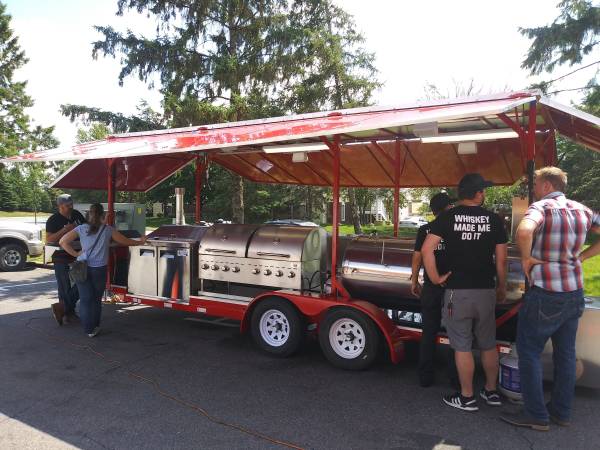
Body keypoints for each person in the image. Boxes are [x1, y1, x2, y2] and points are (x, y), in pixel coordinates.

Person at [501, 167, 600, 431]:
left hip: (545, 292)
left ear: (547, 185)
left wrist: (526, 259)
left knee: (529, 352)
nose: (534, 188)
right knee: (566, 355)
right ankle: (561, 412)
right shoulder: (583, 210)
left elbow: (524, 232)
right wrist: (582, 257)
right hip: (574, 292)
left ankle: (536, 415)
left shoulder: (541, 208)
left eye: (536, 183)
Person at [422, 173, 507, 412]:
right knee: (488, 344)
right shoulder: (494, 220)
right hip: (486, 290)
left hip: (457, 291)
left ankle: (467, 397)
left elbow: (427, 249)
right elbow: (501, 260)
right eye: (483, 190)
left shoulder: (447, 217)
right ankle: (491, 391)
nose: (484, 194)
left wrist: (435, 278)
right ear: (478, 193)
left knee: (462, 346)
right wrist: (501, 287)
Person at [59, 203, 146, 337]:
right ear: (102, 215)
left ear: (89, 214)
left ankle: (88, 330)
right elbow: (125, 241)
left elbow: (62, 242)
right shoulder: (107, 230)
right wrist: (141, 241)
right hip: (99, 270)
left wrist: (76, 254)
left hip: (81, 267)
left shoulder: (81, 228)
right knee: (96, 299)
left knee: (85, 300)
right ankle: (95, 326)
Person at [411, 192, 454, 387]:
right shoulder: (456, 229)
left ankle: (425, 376)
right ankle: (455, 378)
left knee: (428, 332)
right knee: (456, 334)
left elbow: (417, 258)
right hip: (453, 288)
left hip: (431, 287)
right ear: (448, 207)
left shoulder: (425, 230)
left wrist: (414, 281)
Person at [45, 194, 86, 325]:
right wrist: (65, 230)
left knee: (83, 281)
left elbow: (86, 229)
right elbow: (49, 239)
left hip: (77, 255)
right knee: (64, 286)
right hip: (61, 257)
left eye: (71, 204)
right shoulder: (53, 220)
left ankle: (62, 308)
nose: (71, 207)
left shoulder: (77, 214)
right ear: (60, 206)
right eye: (68, 205)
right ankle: (69, 314)